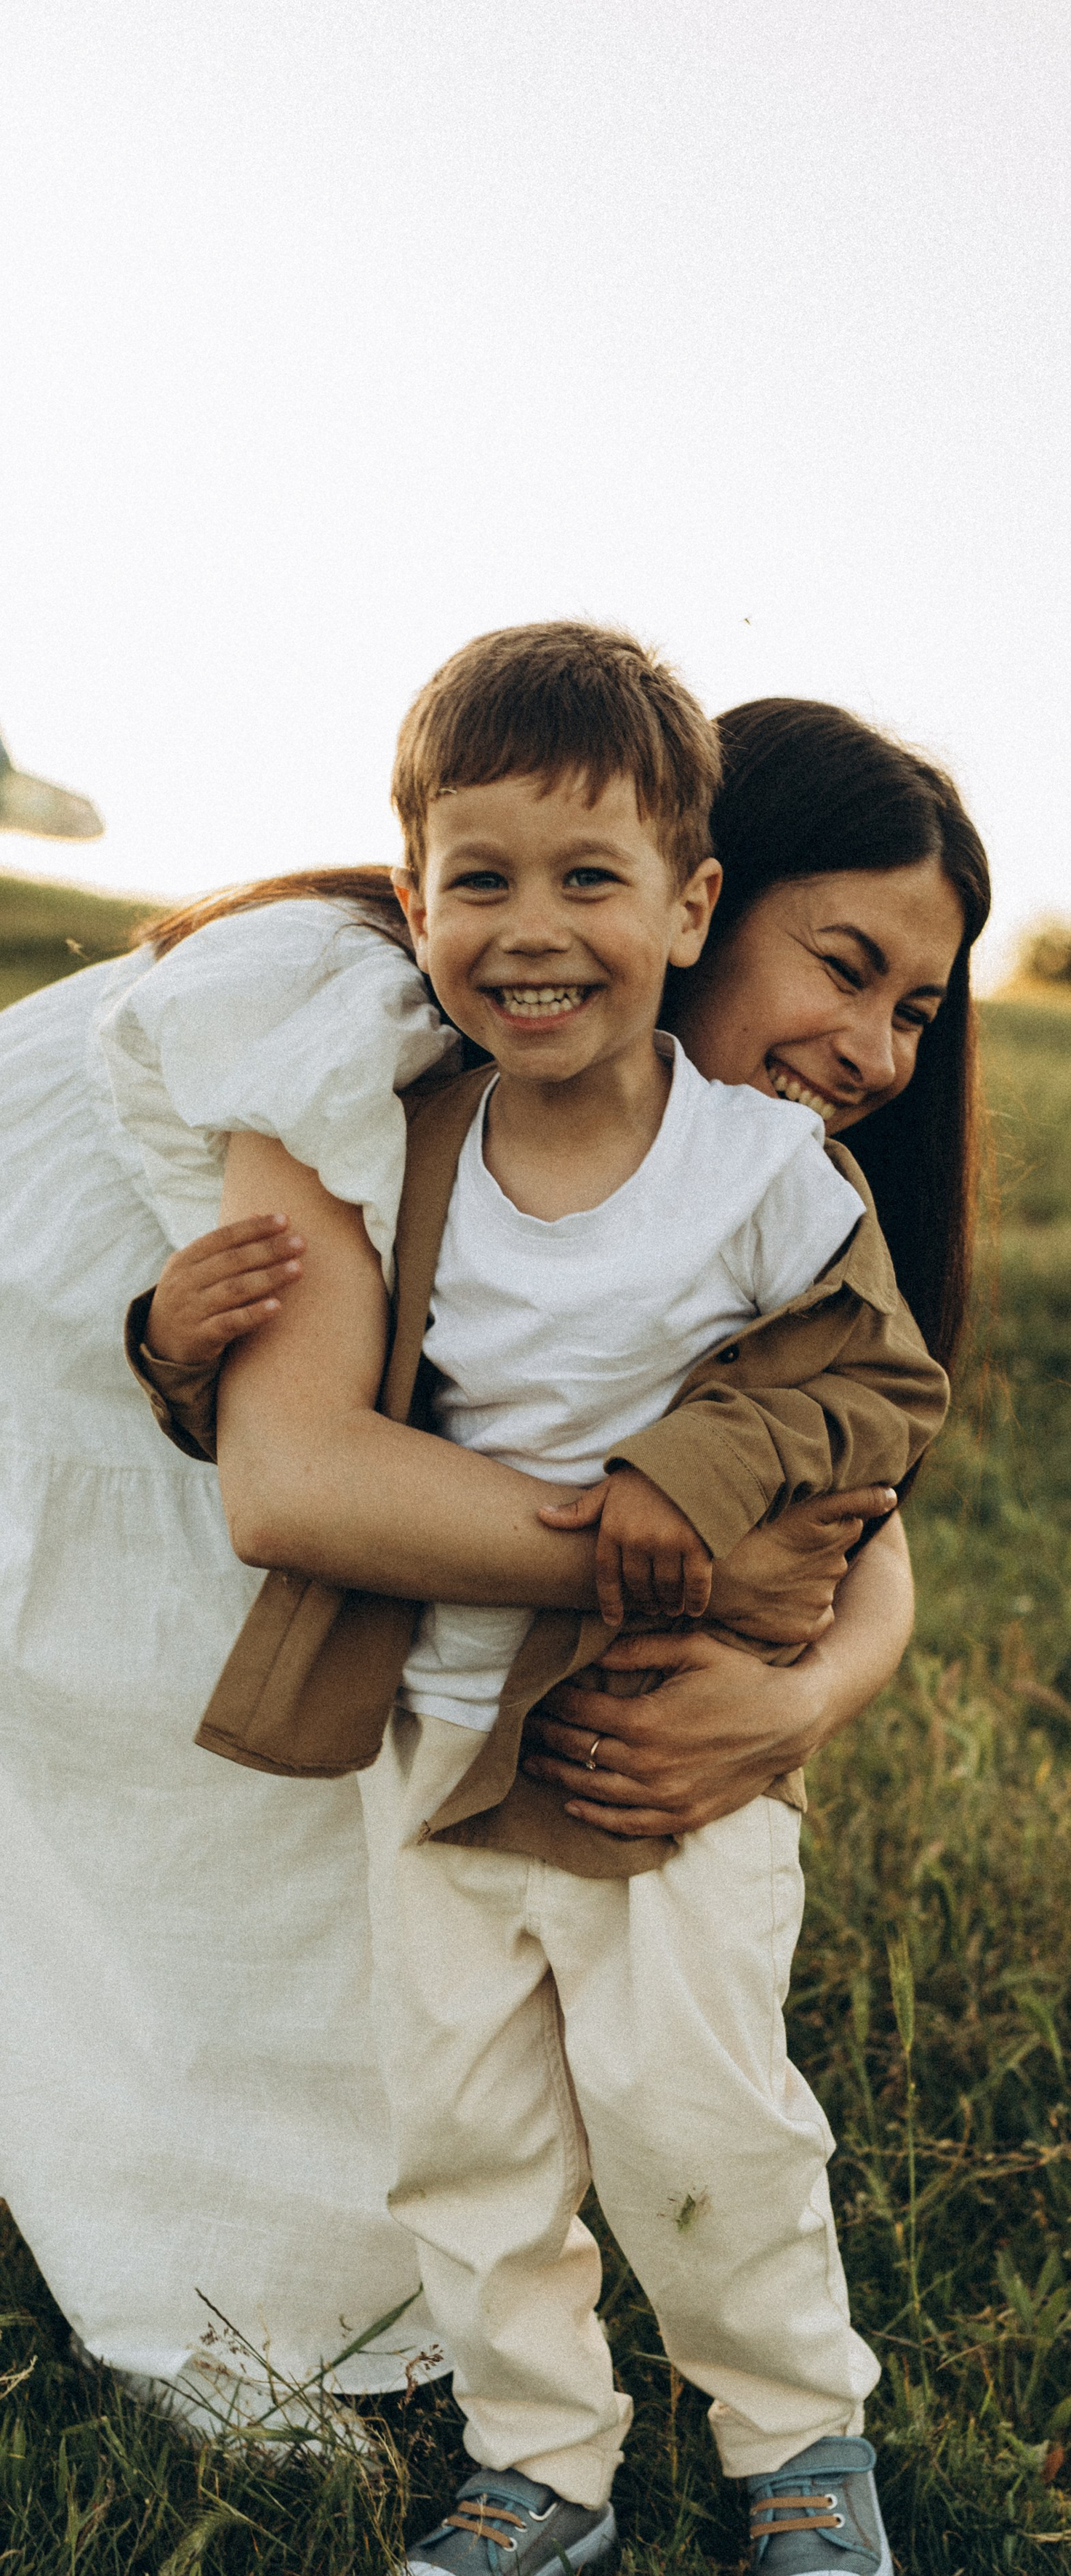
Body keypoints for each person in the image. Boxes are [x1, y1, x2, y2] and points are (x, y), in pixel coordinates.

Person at [0, 670, 987, 2473]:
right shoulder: (379, 1010)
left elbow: (855, 1480)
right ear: (708, 883)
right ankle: (245, 2308)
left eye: (914, 1006)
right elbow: (296, 1484)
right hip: (46, 1385)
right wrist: (666, 1557)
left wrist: (795, 1691)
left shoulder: (717, 1156)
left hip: (286, 1439)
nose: (870, 1045)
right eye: (839, 966)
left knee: (411, 1762)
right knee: (223, 1832)